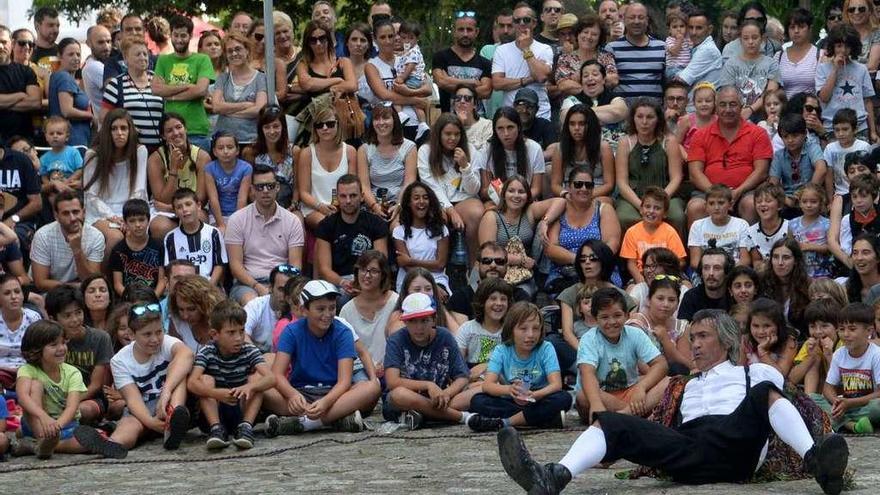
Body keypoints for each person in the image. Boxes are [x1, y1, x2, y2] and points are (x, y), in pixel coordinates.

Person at [498, 308, 849, 495]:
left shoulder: (754, 374)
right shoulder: (683, 384)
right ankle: (553, 477)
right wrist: (616, 439)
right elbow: (648, 418)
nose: (693, 344)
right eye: (691, 337)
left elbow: (788, 401)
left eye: (702, 337)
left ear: (726, 341)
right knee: (610, 421)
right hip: (688, 451)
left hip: (736, 447)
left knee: (762, 395)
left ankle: (816, 461)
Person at [74, 303, 193, 458]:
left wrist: (166, 391)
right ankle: (111, 442)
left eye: (159, 332)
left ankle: (173, 420)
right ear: (131, 334)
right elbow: (133, 399)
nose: (155, 339)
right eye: (147, 334)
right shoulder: (120, 360)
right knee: (129, 424)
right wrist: (151, 423)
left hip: (173, 402)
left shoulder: (167, 342)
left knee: (178, 372)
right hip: (144, 408)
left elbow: (187, 354)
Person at [263, 280, 381, 434]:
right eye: (320, 309)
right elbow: (277, 374)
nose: (327, 314)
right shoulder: (291, 331)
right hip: (301, 394)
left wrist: (326, 402)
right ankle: (335, 419)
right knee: (260, 387)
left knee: (372, 387)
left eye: (332, 308)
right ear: (304, 310)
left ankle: (304, 423)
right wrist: (292, 395)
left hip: (335, 396)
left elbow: (344, 382)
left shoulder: (343, 332)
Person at [469, 301, 571, 431]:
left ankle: (505, 422)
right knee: (477, 401)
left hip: (539, 399)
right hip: (512, 400)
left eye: (536, 329)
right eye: (523, 329)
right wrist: (509, 390)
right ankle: (542, 420)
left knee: (563, 398)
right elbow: (488, 385)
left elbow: (556, 384)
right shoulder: (502, 350)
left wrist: (535, 395)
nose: (530, 335)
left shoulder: (546, 348)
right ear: (511, 329)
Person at [187, 300, 275, 450]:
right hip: (215, 409)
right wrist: (215, 393)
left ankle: (246, 427)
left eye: (241, 331)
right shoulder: (207, 351)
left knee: (257, 379)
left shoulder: (249, 350)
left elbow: (271, 378)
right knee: (204, 380)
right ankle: (216, 429)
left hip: (239, 407)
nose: (239, 338)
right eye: (231, 333)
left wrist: (250, 387)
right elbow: (192, 383)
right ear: (215, 334)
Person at [382, 292, 474, 430]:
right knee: (398, 395)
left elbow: (462, 376)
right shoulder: (396, 340)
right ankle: (461, 417)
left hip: (440, 399)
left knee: (477, 391)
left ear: (434, 319)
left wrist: (446, 394)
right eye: (412, 321)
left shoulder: (445, 336)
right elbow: (392, 382)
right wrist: (428, 386)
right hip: (408, 399)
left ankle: (425, 415)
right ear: (404, 321)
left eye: (424, 320)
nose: (419, 327)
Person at [574, 288, 669, 421]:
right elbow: (587, 373)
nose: (612, 322)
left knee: (669, 382)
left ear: (626, 315)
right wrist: (596, 403)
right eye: (605, 317)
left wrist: (641, 388)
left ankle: (624, 416)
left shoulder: (635, 334)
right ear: (595, 319)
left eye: (617, 315)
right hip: (601, 395)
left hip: (630, 392)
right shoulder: (589, 339)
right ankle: (638, 414)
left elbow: (661, 364)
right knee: (583, 396)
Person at [686, 85, 773, 226]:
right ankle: (697, 248)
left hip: (746, 191)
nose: (727, 109)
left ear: (741, 105)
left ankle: (749, 248)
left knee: (751, 205)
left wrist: (738, 191)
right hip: (708, 191)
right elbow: (695, 173)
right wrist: (717, 195)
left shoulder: (757, 133)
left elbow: (761, 172)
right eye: (722, 104)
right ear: (716, 106)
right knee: (695, 207)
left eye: (733, 104)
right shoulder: (701, 135)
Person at [226, 164, 304, 305]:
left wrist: (280, 288)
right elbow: (235, 266)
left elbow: (295, 266)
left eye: (270, 186)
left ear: (277, 187)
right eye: (260, 187)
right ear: (252, 191)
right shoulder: (237, 219)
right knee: (253, 303)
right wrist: (258, 286)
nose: (266, 191)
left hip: (284, 282)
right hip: (248, 284)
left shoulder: (292, 221)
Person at [14, 320, 94, 459]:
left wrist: (56, 427)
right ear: (37, 349)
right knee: (35, 385)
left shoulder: (72, 373)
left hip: (65, 426)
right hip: (37, 423)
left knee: (88, 443)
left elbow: (72, 407)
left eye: (63, 343)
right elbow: (23, 397)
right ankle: (40, 438)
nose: (61, 348)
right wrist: (43, 417)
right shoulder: (28, 370)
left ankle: (38, 445)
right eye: (53, 345)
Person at [417, 113, 483, 263]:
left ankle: (474, 267)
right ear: (439, 133)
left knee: (477, 213)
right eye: (447, 134)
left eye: (457, 134)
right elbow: (431, 187)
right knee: (439, 217)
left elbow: (473, 190)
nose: (452, 138)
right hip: (437, 201)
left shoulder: (470, 150)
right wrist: (450, 210)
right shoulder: (425, 151)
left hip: (464, 200)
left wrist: (465, 166)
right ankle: (439, 267)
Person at [45, 285, 113, 425]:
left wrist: (69, 403)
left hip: (89, 397)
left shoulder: (100, 338)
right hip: (55, 397)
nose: (75, 319)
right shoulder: (48, 343)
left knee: (83, 411)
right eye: (67, 316)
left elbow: (96, 385)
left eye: (78, 312)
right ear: (53, 318)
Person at [82, 109, 149, 253]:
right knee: (116, 237)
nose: (119, 133)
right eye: (114, 128)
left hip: (131, 210)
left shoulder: (140, 151)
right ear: (107, 132)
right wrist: (113, 217)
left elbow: (139, 190)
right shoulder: (93, 155)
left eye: (124, 128)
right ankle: (103, 275)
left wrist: (128, 216)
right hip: (100, 212)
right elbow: (91, 196)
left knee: (144, 232)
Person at [614, 98, 684, 233]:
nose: (644, 122)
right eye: (640, 116)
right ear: (633, 118)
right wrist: (641, 205)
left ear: (658, 119)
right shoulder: (625, 142)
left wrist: (659, 202)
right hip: (633, 197)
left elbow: (676, 178)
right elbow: (622, 182)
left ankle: (677, 254)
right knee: (623, 217)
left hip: (665, 195)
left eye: (650, 117)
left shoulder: (669, 141)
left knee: (677, 217)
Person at [809, 302, 880, 433]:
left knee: (877, 407)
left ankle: (840, 423)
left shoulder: (876, 355)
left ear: (869, 331)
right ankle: (853, 425)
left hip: (865, 406)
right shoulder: (839, 354)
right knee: (812, 399)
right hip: (845, 407)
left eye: (852, 329)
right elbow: (828, 387)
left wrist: (850, 403)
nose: (846, 334)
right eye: (842, 329)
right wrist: (836, 401)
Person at [315, 174, 389, 299]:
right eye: (343, 196)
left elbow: (381, 261)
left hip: (369, 277)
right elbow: (324, 269)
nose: (348, 200)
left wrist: (363, 282)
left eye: (353, 195)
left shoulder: (376, 223)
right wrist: (343, 283)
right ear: (337, 197)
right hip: (338, 282)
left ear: (362, 197)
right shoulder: (326, 225)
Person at [546, 166, 621, 287]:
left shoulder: (603, 209)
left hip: (599, 271)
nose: (584, 188)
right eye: (578, 184)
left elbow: (612, 244)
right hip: (564, 273)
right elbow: (550, 248)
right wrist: (579, 260)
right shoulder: (560, 210)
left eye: (588, 185)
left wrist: (591, 262)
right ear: (568, 188)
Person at [152, 15, 214, 151]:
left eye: (183, 35)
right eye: (175, 35)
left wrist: (169, 94)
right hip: (171, 131)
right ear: (170, 35)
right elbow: (156, 89)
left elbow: (201, 90)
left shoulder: (202, 59)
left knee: (199, 171)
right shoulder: (163, 60)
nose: (179, 40)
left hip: (196, 129)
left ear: (190, 35)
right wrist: (187, 86)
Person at [363, 19, 430, 141]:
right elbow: (384, 94)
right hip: (387, 126)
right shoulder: (371, 66)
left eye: (391, 36)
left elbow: (427, 89)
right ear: (375, 39)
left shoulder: (407, 58)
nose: (388, 41)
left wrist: (410, 93)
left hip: (415, 124)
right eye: (383, 37)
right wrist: (415, 100)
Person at [147, 113, 210, 240]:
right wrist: (174, 168)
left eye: (179, 127)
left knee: (198, 218)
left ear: (185, 129)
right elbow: (162, 198)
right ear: (164, 136)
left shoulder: (202, 157)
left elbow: (201, 199)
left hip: (191, 208)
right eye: (169, 131)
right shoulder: (155, 159)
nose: (176, 133)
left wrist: (172, 208)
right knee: (160, 227)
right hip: (164, 213)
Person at [294, 20, 357, 141]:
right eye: (313, 40)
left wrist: (330, 87)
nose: (318, 43)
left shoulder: (343, 61)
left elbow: (353, 85)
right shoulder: (304, 64)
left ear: (328, 39)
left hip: (343, 121)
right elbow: (307, 84)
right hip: (317, 125)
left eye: (322, 38)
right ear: (308, 43)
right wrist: (337, 80)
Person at [30, 191, 104, 292]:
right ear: (56, 215)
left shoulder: (96, 237)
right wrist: (74, 287)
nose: (72, 218)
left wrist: (77, 251)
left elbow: (92, 281)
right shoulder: (43, 236)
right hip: (51, 292)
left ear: (84, 212)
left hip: (82, 291)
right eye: (66, 213)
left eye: (76, 212)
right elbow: (41, 282)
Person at [297, 106, 357, 230]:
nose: (325, 128)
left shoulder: (350, 151)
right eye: (319, 125)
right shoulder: (307, 153)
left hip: (345, 206)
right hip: (314, 209)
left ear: (338, 125)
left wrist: (343, 207)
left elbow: (353, 187)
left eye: (329, 124)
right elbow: (303, 192)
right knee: (328, 225)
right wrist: (320, 206)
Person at [491, 2, 553, 119]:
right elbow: (497, 83)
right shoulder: (501, 50)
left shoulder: (545, 48)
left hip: (540, 116)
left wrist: (526, 49)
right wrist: (527, 79)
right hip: (511, 117)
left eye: (526, 20)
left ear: (534, 23)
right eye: (517, 20)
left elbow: (541, 77)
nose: (521, 24)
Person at [817, 24, 878, 143]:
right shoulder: (822, 69)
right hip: (833, 129)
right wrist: (835, 70)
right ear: (832, 47)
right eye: (839, 46)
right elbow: (824, 97)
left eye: (847, 46)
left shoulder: (861, 69)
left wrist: (873, 131)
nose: (843, 50)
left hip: (859, 128)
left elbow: (867, 101)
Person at [339, 251, 399, 372]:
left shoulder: (396, 302)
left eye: (374, 271)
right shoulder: (347, 310)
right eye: (363, 270)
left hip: (392, 369)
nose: (367, 275)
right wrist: (368, 368)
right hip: (359, 373)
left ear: (383, 275)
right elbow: (344, 350)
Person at [356, 103, 417, 215]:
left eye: (385, 118)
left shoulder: (409, 147)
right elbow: (364, 186)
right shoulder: (364, 150)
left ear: (394, 120)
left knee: (397, 227)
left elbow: (409, 181)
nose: (381, 123)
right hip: (373, 204)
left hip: (400, 202)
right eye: (376, 119)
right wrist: (375, 206)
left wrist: (399, 205)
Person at [393, 182, 451, 294]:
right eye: (416, 198)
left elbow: (440, 264)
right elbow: (407, 267)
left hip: (437, 280)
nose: (421, 202)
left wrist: (411, 260)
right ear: (409, 203)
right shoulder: (399, 232)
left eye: (425, 198)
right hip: (410, 280)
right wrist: (429, 287)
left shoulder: (441, 229)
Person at [620, 187, 687, 283]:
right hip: (641, 275)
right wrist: (641, 281)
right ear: (641, 209)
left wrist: (665, 276)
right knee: (631, 291)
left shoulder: (670, 232)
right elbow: (631, 264)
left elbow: (680, 261)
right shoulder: (632, 232)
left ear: (664, 214)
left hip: (667, 275)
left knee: (686, 286)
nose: (651, 211)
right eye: (647, 206)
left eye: (657, 208)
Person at [212, 33, 268, 146]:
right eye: (230, 51)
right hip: (223, 142)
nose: (234, 53)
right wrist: (245, 105)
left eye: (238, 49)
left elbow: (259, 110)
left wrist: (227, 112)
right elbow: (216, 107)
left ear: (247, 50)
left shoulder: (261, 78)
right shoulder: (223, 78)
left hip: (250, 140)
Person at [431, 12, 493, 114]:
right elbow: (441, 82)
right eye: (461, 29)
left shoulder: (484, 63)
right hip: (450, 122)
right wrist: (472, 82)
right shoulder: (440, 57)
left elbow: (486, 91)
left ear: (476, 32)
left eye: (469, 30)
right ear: (454, 31)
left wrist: (450, 80)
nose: (465, 34)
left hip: (477, 122)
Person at [719, 20, 781, 121]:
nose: (750, 42)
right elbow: (727, 93)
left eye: (755, 37)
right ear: (740, 40)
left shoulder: (771, 64)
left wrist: (750, 109)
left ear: (762, 39)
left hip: (765, 118)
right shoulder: (731, 64)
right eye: (746, 38)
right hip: (736, 116)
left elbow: (770, 93)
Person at [163, 188, 226, 286]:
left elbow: (220, 264)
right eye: (179, 207)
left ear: (199, 206)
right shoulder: (170, 238)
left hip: (209, 287)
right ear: (175, 212)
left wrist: (210, 287)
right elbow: (170, 269)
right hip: (183, 289)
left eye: (188, 204)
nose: (184, 210)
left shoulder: (213, 233)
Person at [605, 2, 665, 102]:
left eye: (641, 17)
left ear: (647, 20)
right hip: (624, 112)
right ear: (624, 20)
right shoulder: (611, 48)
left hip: (654, 112)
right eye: (632, 17)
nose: (636, 21)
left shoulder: (662, 47)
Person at [480, 107, 545, 200]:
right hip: (499, 201)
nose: (506, 133)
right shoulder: (487, 150)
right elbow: (484, 190)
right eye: (500, 128)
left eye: (510, 127)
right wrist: (501, 194)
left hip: (526, 200)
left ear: (518, 127)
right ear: (495, 130)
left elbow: (536, 189)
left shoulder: (534, 148)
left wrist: (519, 199)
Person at [108, 199, 165, 297]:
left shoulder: (159, 246)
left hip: (154, 297)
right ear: (125, 223)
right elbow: (118, 285)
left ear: (148, 220)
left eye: (141, 220)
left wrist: (153, 298)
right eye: (132, 221)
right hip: (128, 300)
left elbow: (162, 281)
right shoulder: (118, 250)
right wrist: (132, 299)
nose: (138, 225)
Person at [553, 14, 619, 98]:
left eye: (594, 34)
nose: (588, 37)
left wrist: (579, 78)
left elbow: (613, 80)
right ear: (578, 34)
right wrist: (594, 86)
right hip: (574, 105)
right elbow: (563, 85)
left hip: (603, 103)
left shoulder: (606, 57)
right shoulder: (565, 58)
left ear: (599, 38)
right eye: (585, 32)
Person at [770, 114, 828, 206]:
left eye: (795, 135)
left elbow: (821, 170)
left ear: (805, 133)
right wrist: (785, 199)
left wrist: (805, 194)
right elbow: (773, 184)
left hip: (812, 199)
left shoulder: (812, 148)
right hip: (788, 200)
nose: (790, 140)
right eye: (785, 136)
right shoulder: (779, 155)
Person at [688, 185, 751, 269]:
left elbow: (745, 260)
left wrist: (725, 272)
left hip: (734, 270)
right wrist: (714, 271)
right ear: (706, 206)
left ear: (730, 204)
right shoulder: (697, 226)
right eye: (711, 203)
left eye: (721, 203)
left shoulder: (741, 225)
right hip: (706, 271)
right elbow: (695, 262)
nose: (716, 207)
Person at [243, 105, 297, 204]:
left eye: (276, 126)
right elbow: (249, 189)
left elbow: (297, 187)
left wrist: (293, 205)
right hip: (260, 205)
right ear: (261, 129)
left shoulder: (294, 151)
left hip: (288, 206)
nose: (272, 131)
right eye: (267, 127)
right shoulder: (250, 152)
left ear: (283, 127)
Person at [243, 264, 299, 353]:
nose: (286, 295)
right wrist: (259, 360)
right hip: (256, 359)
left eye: (291, 290)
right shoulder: (256, 306)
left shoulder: (302, 312)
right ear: (270, 288)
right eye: (281, 289)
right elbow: (242, 335)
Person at [48, 38, 92, 147]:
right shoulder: (64, 77)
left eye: (78, 54)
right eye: (71, 54)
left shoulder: (58, 76)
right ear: (60, 56)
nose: (76, 58)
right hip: (73, 141)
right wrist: (91, 115)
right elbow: (67, 111)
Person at [1, 26, 42, 142]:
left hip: (23, 141)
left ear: (11, 43)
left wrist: (3, 103)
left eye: (3, 42)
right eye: (22, 43)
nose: (0, 46)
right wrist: (20, 96)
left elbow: (35, 103)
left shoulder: (26, 71)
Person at [763, 237, 812, 333]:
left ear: (796, 261)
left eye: (786, 257)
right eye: (775, 257)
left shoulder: (808, 286)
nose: (780, 263)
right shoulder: (763, 282)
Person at [204, 131, 252, 230]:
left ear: (237, 150)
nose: (225, 151)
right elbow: (213, 198)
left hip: (240, 213)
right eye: (221, 148)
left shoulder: (246, 168)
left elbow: (242, 199)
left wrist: (237, 223)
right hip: (217, 215)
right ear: (214, 152)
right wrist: (221, 224)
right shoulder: (209, 169)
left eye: (230, 147)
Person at [0, 274, 42, 385]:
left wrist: (23, 371)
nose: (14, 297)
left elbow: (40, 351)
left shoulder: (34, 318)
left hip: (29, 372)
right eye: (7, 293)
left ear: (23, 295)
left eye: (17, 292)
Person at [673, 8, 722, 97]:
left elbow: (680, 81)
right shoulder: (698, 47)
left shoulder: (707, 50)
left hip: (698, 108)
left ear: (710, 29)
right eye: (691, 28)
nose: (693, 32)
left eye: (699, 28)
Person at [789, 184, 834, 278]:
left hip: (822, 272)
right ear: (799, 203)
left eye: (813, 202)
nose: (808, 205)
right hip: (799, 273)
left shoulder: (827, 224)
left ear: (821, 203)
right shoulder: (792, 224)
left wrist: (809, 246)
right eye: (804, 201)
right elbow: (789, 246)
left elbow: (831, 247)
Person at [679, 247, 733, 321]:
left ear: (726, 272)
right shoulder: (691, 297)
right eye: (706, 268)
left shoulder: (733, 297)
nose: (711, 273)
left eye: (717, 268)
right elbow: (683, 329)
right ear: (701, 272)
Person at [745, 183, 789, 270]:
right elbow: (756, 262)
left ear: (779, 205)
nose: (762, 204)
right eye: (759, 201)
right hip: (764, 274)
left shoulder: (790, 227)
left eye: (768, 201)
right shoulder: (750, 232)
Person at [39, 117, 82, 201]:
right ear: (46, 137)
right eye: (51, 134)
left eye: (59, 133)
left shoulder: (73, 152)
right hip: (54, 189)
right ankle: (56, 214)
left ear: (67, 137)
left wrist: (68, 182)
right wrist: (50, 185)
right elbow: (43, 175)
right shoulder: (44, 158)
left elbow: (80, 169)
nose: (55, 136)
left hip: (71, 185)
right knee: (51, 198)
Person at [778, 9, 818, 98]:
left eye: (801, 27)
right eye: (792, 27)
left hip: (810, 109)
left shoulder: (819, 55)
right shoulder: (778, 57)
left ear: (810, 28)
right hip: (786, 110)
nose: (796, 31)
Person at [82, 25, 112, 117]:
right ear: (88, 43)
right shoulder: (94, 66)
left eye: (108, 41)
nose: (106, 47)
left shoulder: (94, 64)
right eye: (100, 42)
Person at [664, 11, 691, 80]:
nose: (679, 29)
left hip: (686, 68)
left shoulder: (687, 39)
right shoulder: (669, 40)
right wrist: (679, 41)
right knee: (684, 78)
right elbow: (674, 52)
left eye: (682, 26)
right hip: (673, 68)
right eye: (674, 27)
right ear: (669, 30)